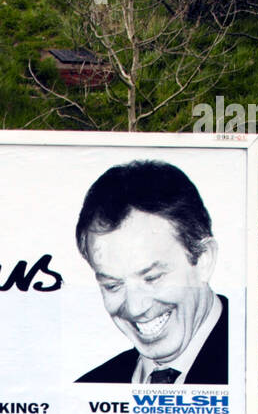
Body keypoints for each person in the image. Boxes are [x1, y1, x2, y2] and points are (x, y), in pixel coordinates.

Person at [74, 159, 228, 385]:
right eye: (112, 285)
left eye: (152, 278)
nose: (136, 308)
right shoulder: (90, 387)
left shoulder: (255, 363)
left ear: (204, 259)